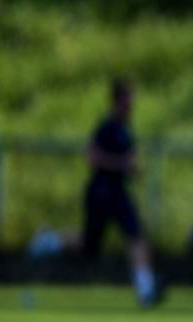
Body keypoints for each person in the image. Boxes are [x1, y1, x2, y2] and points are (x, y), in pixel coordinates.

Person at [28, 79, 164, 307]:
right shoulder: (107, 127)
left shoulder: (126, 129)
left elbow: (127, 162)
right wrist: (121, 164)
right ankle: (50, 240)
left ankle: (145, 289)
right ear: (117, 100)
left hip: (119, 193)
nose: (131, 105)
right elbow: (92, 157)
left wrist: (132, 169)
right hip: (101, 192)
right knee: (89, 246)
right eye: (128, 100)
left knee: (136, 235)